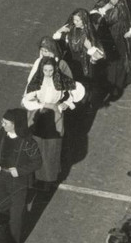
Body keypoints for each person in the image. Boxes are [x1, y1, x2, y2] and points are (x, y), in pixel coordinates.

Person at [21, 51, 84, 190]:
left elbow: (76, 91)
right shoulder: (36, 81)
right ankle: (36, 177)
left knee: (51, 149)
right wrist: (40, 105)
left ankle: (48, 179)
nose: (48, 73)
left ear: (55, 69)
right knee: (37, 147)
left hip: (55, 118)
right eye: (45, 70)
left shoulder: (61, 80)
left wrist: (66, 104)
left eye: (50, 70)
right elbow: (26, 99)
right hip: (39, 116)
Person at [0, 108, 42, 243]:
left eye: (5, 122)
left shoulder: (27, 142)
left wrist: (19, 171)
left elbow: (37, 162)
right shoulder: (1, 134)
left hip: (19, 182)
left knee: (16, 215)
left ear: (15, 124)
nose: (2, 124)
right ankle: (7, 229)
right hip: (2, 178)